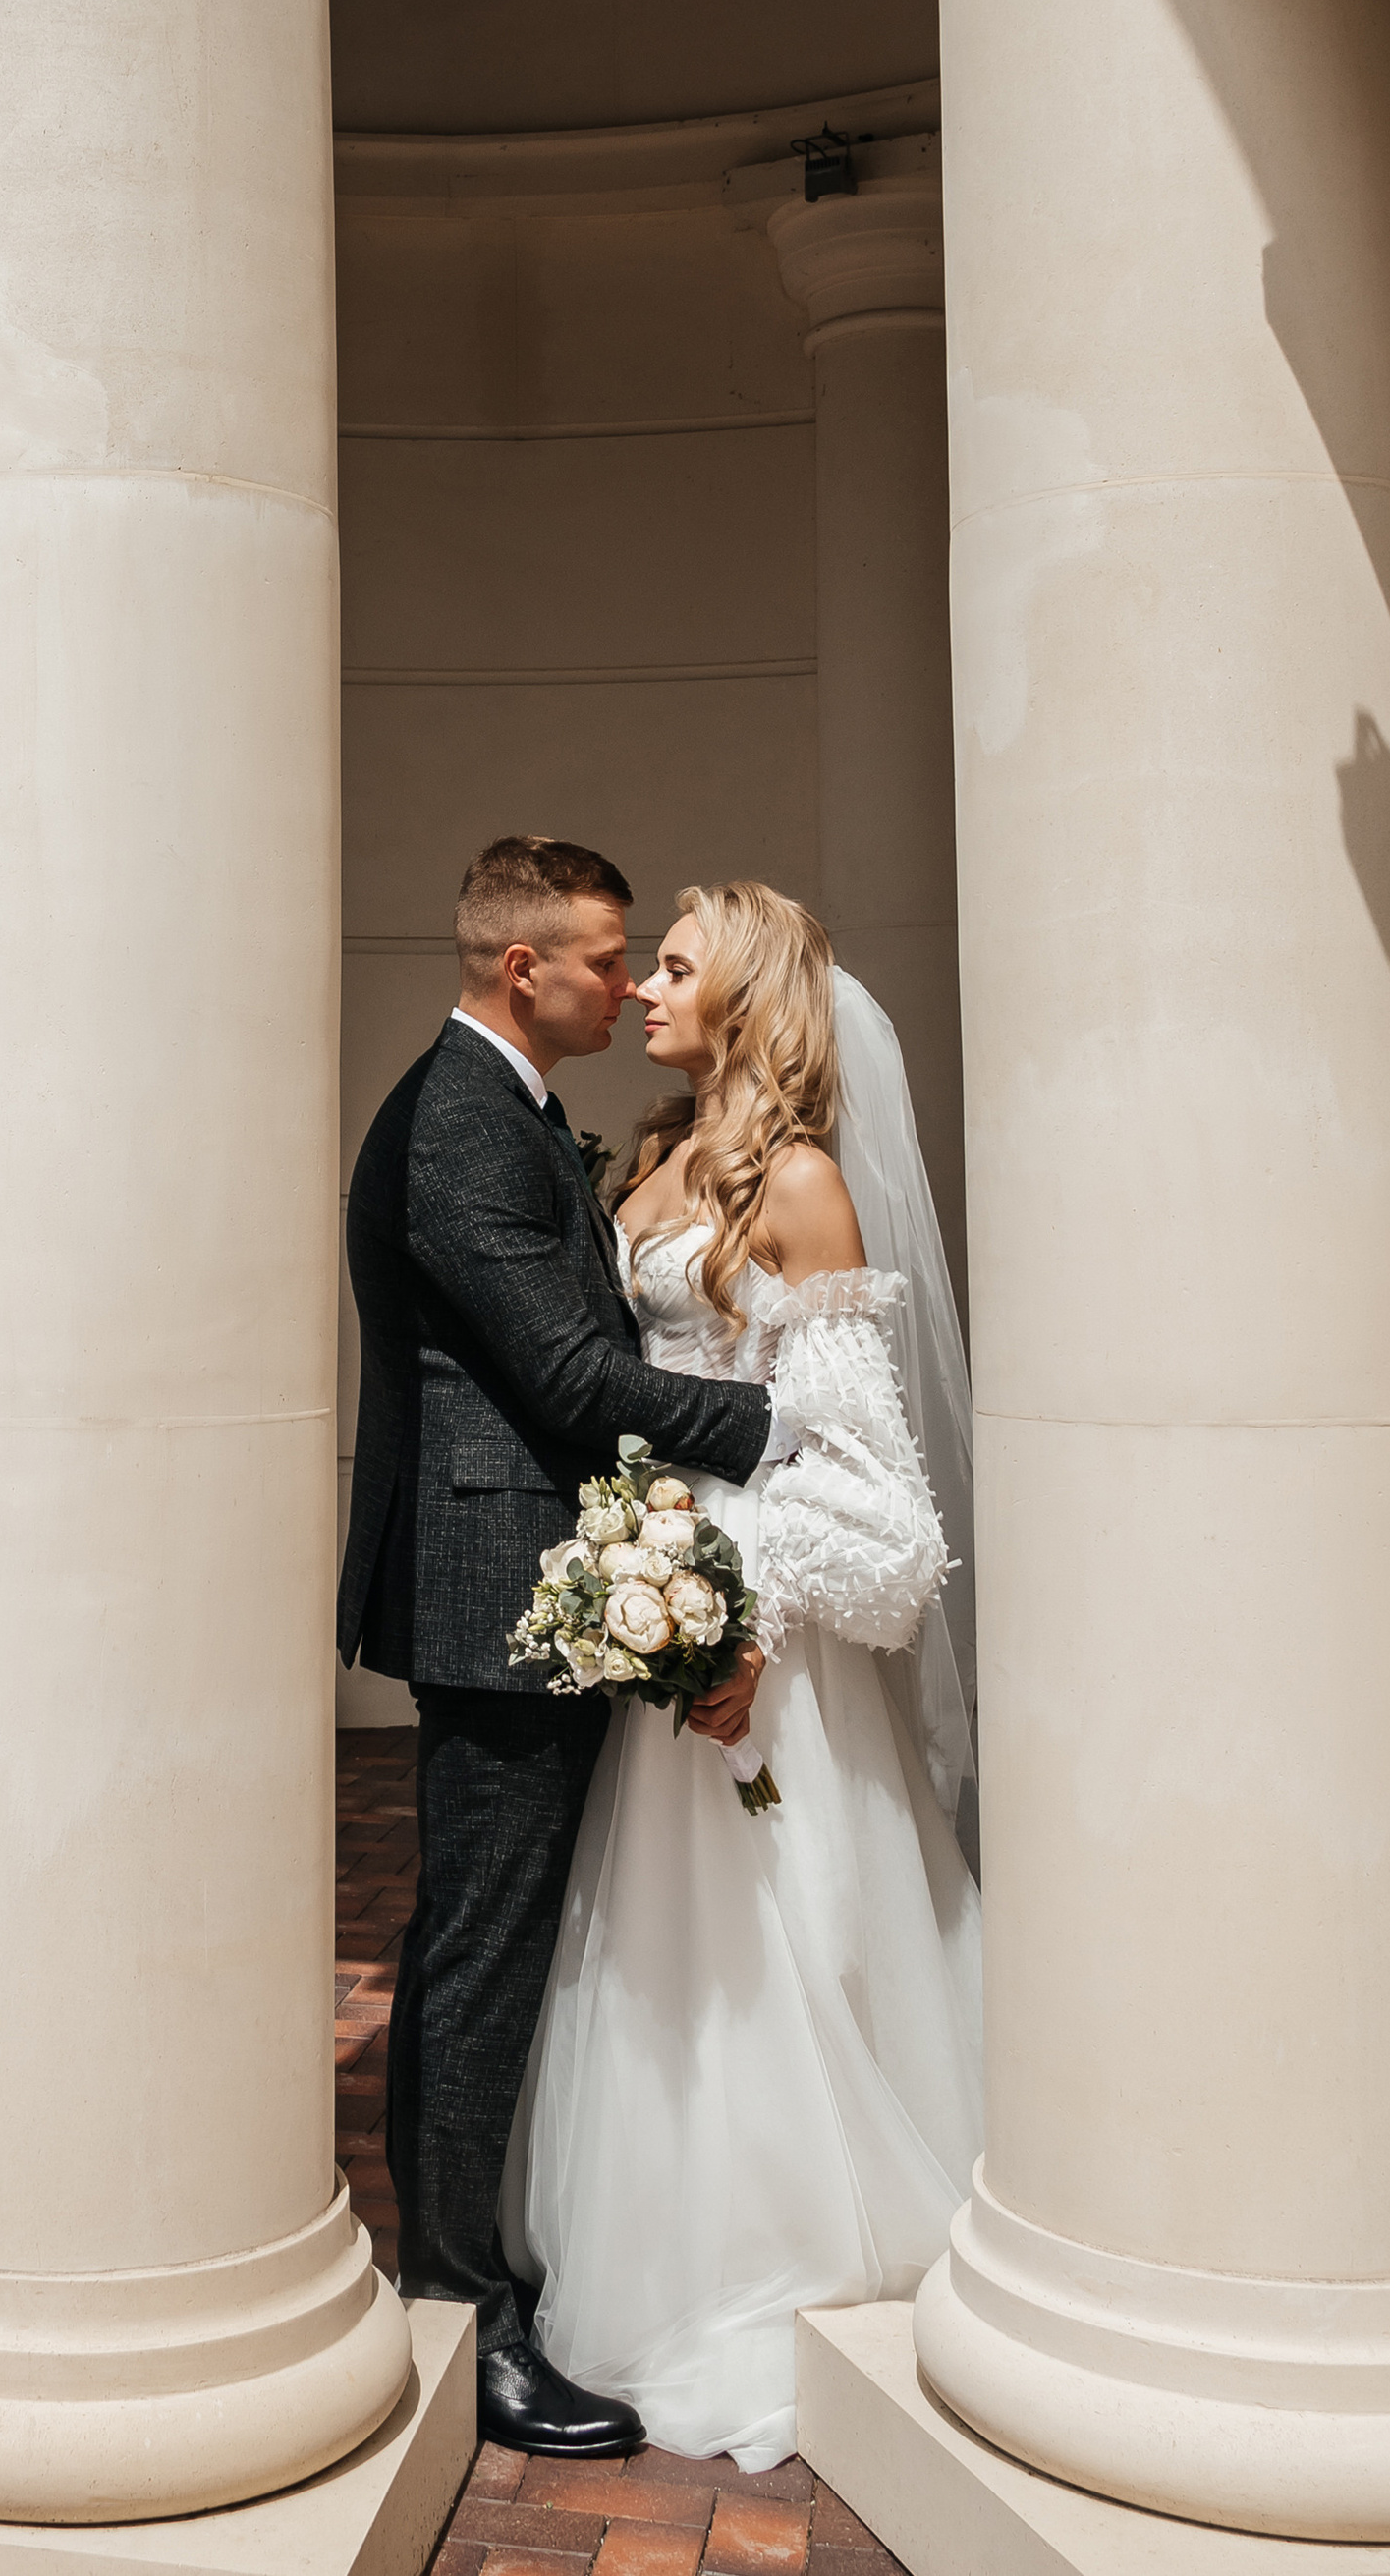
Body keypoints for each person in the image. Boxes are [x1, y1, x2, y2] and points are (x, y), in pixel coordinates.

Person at [501, 881, 982, 2472]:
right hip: (655, 1596)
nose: (644, 986)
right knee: (658, 1951)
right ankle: (655, 2238)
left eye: (678, 967)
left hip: (751, 1635)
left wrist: (743, 1617)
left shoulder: (805, 1187)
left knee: (772, 1944)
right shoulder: (654, 1162)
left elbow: (872, 1493)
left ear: (750, 998)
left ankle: (777, 2253)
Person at [338, 836, 784, 2459]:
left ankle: (467, 2265)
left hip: (523, 1570)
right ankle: (466, 2308)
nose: (626, 979)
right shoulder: (463, 1124)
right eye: (609, 957)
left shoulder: (503, 1105)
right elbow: (572, 1377)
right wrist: (787, 1420)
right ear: (525, 970)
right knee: (483, 1950)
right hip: (496, 1583)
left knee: (482, 1935)